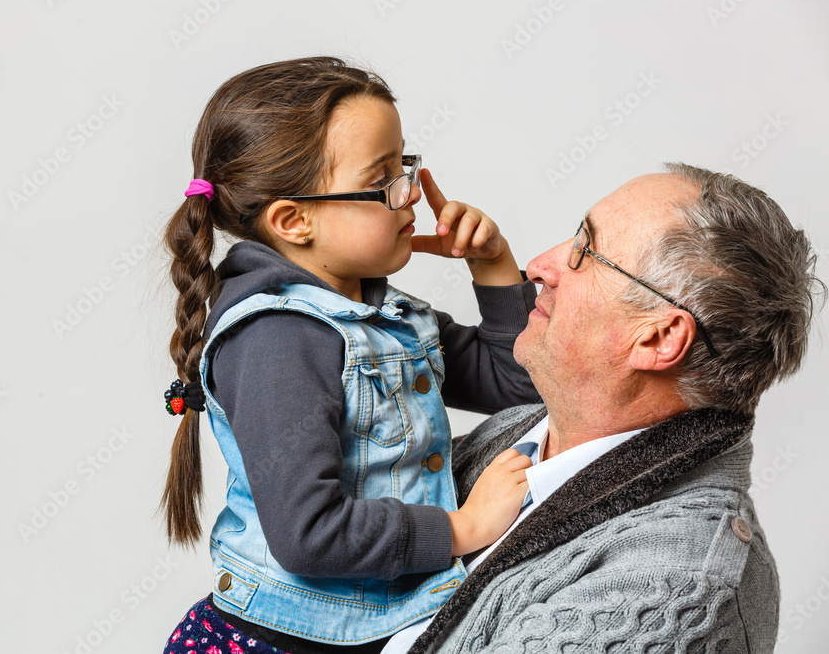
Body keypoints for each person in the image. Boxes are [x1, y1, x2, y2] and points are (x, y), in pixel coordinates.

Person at [159, 57, 542, 653]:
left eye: (406, 168)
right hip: (286, 639)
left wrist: (491, 264)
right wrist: (462, 530)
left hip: (379, 626)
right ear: (294, 220)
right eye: (384, 179)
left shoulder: (384, 317)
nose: (412, 194)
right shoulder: (277, 340)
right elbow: (308, 534)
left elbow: (520, 384)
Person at [384, 164, 825, 653]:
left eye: (585, 252)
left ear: (658, 337)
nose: (537, 266)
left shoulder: (678, 589)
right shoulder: (516, 435)